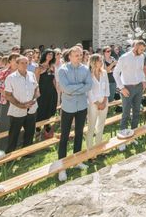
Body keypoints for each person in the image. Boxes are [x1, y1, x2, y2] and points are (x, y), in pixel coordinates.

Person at [56, 46, 93, 181]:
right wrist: (80, 87)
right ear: (69, 56)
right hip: (68, 107)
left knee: (79, 134)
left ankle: (77, 161)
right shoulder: (63, 70)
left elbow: (89, 85)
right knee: (64, 137)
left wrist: (74, 88)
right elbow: (65, 88)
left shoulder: (85, 69)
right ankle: (62, 167)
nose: (79, 57)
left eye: (80, 55)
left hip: (82, 106)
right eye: (76, 55)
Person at [4, 56, 39, 154]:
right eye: (22, 63)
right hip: (17, 111)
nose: (24, 65)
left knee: (30, 133)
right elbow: (8, 95)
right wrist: (20, 105)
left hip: (32, 109)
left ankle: (27, 154)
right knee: (14, 135)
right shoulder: (11, 78)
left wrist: (34, 99)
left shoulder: (31, 75)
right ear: (17, 64)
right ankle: (9, 156)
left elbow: (36, 88)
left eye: (26, 63)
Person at [113, 40, 146, 138]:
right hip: (127, 88)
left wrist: (143, 80)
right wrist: (121, 88)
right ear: (135, 47)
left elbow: (140, 71)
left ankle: (133, 134)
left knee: (137, 112)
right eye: (141, 49)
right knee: (126, 114)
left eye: (143, 50)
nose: (142, 52)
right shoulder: (124, 57)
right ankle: (122, 138)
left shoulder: (142, 56)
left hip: (139, 87)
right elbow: (115, 73)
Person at [86, 53, 109, 150]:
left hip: (104, 102)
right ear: (94, 62)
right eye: (99, 60)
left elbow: (107, 87)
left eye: (101, 60)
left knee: (101, 125)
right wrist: (97, 103)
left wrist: (104, 102)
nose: (101, 62)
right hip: (93, 104)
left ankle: (98, 148)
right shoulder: (88, 75)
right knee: (91, 127)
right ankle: (90, 150)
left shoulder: (104, 72)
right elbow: (89, 91)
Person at [35, 49, 58, 139]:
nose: (50, 56)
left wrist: (55, 90)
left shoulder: (52, 66)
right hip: (42, 92)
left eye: (52, 55)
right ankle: (37, 131)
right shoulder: (39, 67)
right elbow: (36, 81)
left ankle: (47, 130)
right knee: (41, 110)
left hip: (51, 91)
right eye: (48, 54)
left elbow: (54, 80)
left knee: (49, 109)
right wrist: (37, 92)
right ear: (45, 55)